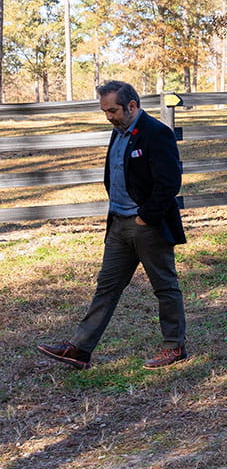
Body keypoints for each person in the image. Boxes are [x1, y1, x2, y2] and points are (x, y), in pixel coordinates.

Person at [38, 80, 188, 370]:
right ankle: (80, 349)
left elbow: (169, 182)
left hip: (148, 226)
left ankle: (174, 347)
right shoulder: (118, 132)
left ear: (132, 105)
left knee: (165, 287)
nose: (108, 116)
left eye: (113, 110)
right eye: (104, 111)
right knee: (106, 288)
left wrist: (146, 217)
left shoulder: (157, 133)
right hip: (118, 225)